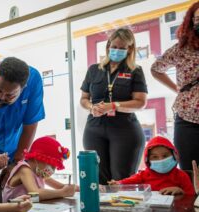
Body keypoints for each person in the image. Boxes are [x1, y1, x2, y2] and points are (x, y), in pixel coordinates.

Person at [80, 28, 147, 185]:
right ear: (108, 45)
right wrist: (91, 107)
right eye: (114, 46)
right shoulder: (94, 70)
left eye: (122, 48)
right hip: (94, 129)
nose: (117, 50)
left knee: (121, 180)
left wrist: (114, 106)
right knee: (97, 181)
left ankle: (122, 210)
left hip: (124, 130)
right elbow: (83, 98)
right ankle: (100, 210)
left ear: (129, 49)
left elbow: (140, 102)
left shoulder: (135, 71)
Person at [151, 2, 199, 171]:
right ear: (192, 22)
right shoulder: (181, 49)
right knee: (189, 171)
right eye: (198, 18)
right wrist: (178, 89)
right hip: (188, 118)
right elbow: (156, 69)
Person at [108, 136, 195, 196]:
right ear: (148, 160)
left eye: (165, 156)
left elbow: (192, 196)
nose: (160, 159)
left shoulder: (182, 176)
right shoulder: (143, 175)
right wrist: (117, 184)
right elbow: (126, 182)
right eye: (155, 157)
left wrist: (180, 191)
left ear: (174, 155)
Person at [2, 136, 76, 202]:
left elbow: (61, 186)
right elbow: (35, 195)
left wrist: (75, 188)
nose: (53, 170)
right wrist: (62, 193)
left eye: (55, 167)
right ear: (37, 158)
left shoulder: (39, 173)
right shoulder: (24, 170)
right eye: (51, 165)